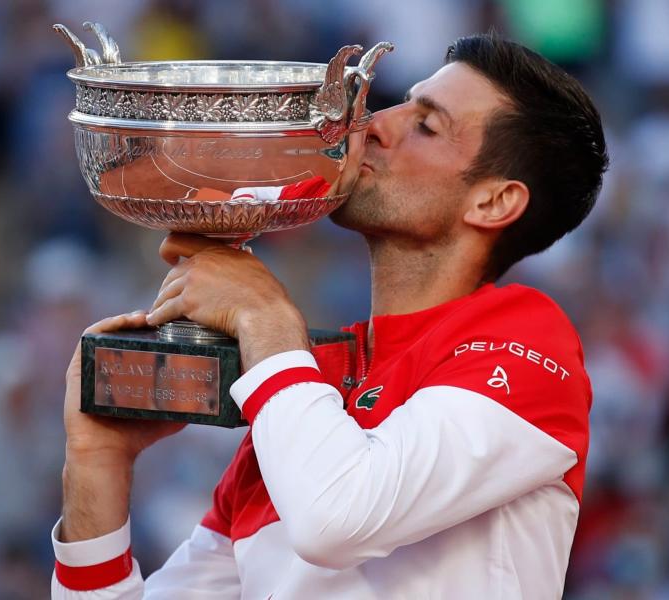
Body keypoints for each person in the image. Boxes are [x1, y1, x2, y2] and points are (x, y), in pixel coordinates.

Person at [51, 32, 608, 599]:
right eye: (402, 103)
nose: (374, 125)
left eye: (426, 125)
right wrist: (96, 462)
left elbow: (335, 519)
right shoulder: (308, 396)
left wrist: (263, 313)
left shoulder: (526, 340)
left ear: (493, 202)